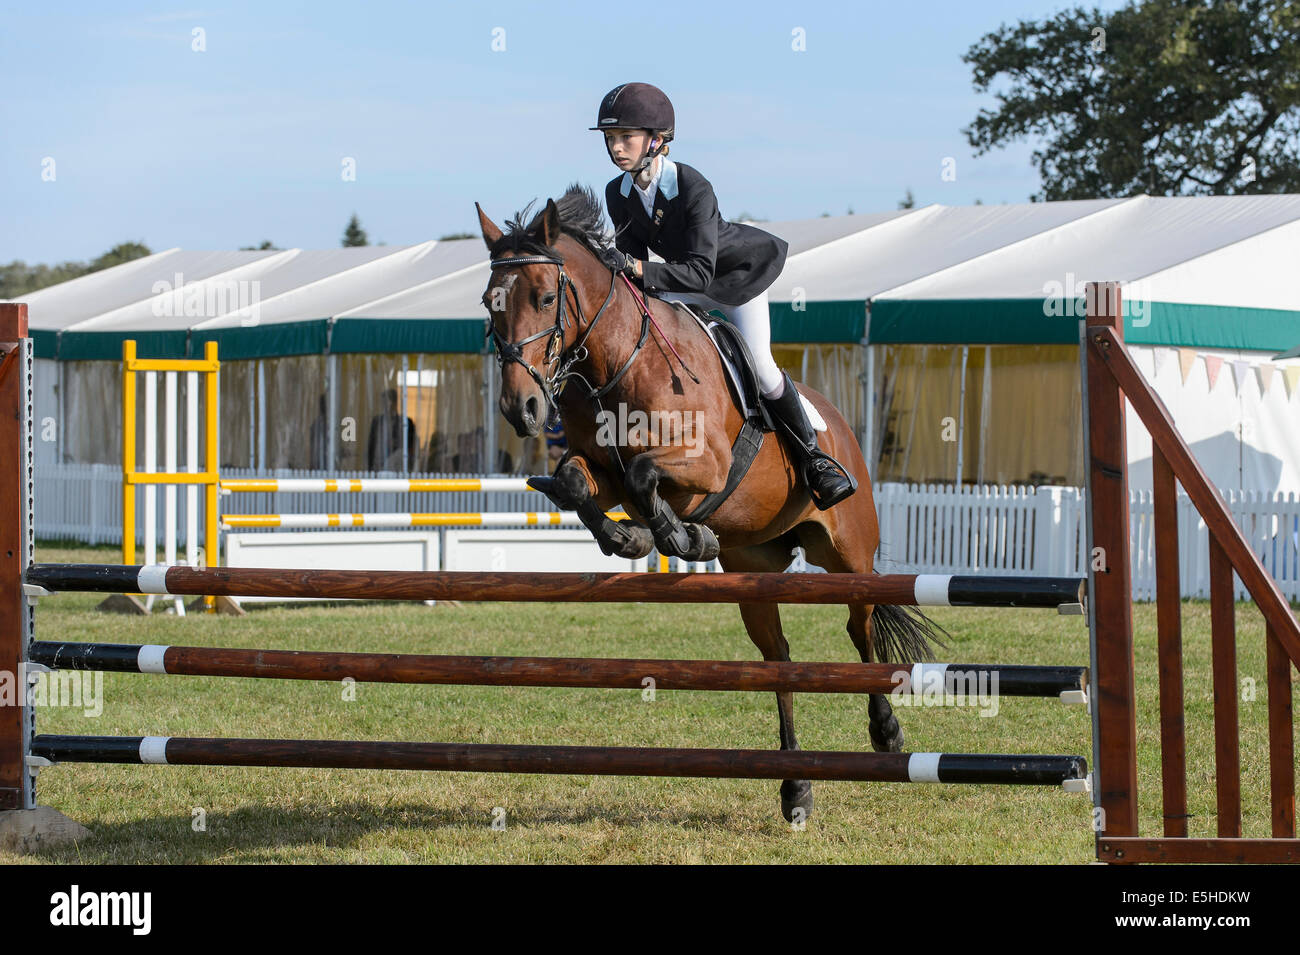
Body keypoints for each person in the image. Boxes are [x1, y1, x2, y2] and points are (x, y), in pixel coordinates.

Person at [592, 82, 854, 509]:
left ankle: (815, 459)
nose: (616, 148)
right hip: (679, 282)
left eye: (626, 137)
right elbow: (634, 273)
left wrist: (637, 269)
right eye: (610, 139)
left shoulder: (693, 186)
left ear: (657, 140)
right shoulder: (617, 193)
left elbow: (697, 270)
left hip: (733, 279)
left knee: (763, 368)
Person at [366, 389, 418, 471]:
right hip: (378, 468)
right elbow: (371, 445)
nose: (385, 406)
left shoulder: (406, 422)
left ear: (395, 403)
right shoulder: (376, 421)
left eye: (387, 402)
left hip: (397, 468)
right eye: (383, 402)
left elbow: (411, 447)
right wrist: (370, 467)